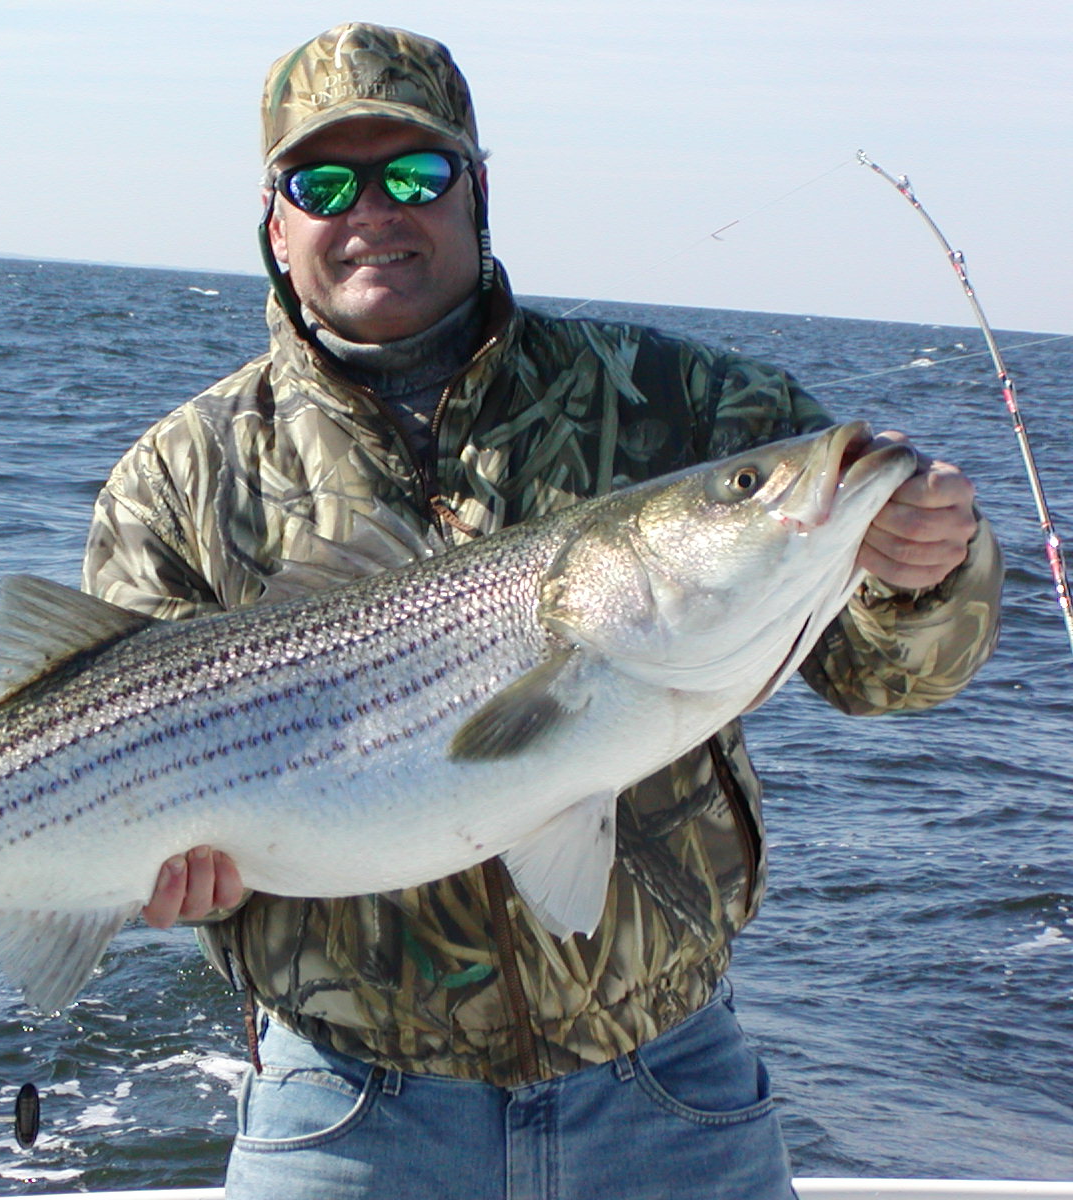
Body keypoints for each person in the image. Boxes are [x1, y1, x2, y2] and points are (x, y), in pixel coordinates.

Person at [81, 22, 1002, 1200]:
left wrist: (925, 568)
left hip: (669, 1089)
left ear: (477, 191)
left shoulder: (678, 401)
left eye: (416, 172)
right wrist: (150, 877)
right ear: (275, 222)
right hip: (348, 1113)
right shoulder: (179, 476)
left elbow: (893, 677)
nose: (374, 209)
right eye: (324, 182)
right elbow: (99, 743)